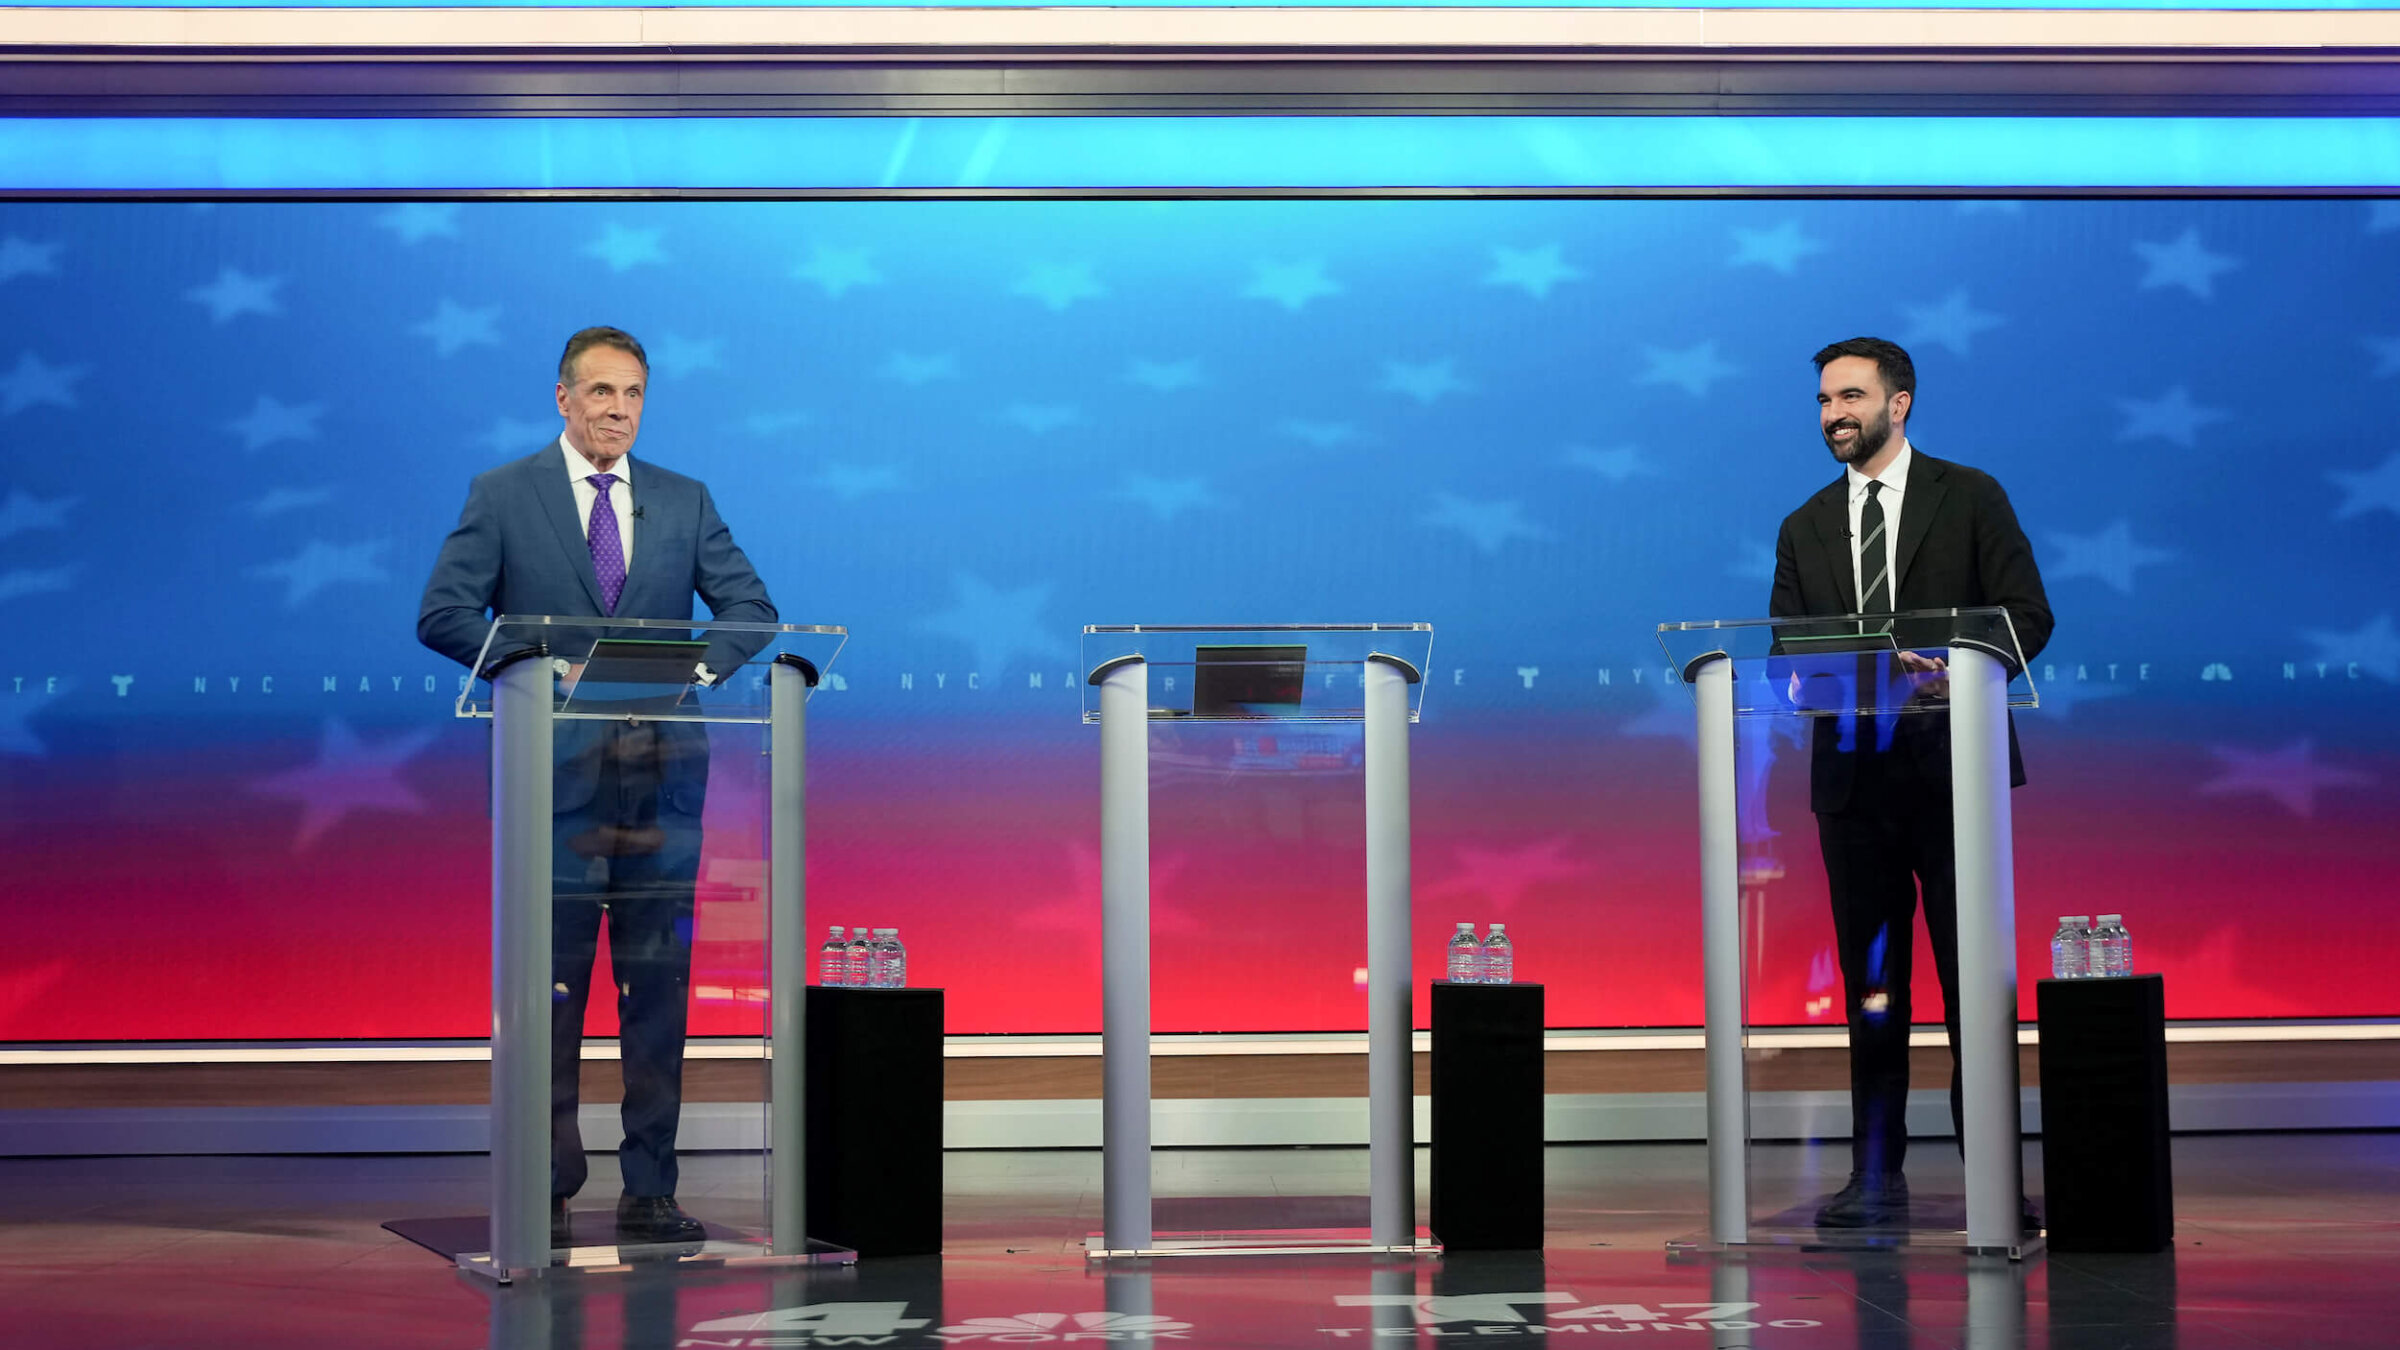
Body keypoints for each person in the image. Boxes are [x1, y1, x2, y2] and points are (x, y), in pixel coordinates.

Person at [419, 327, 777, 1246]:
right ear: (563, 399)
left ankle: (650, 1187)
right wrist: (547, 670)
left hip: (662, 787)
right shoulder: (505, 495)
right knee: (555, 994)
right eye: (603, 393)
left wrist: (694, 675)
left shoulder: (683, 501)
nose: (619, 410)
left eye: (635, 396)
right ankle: (547, 1183)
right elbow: (445, 613)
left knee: (657, 996)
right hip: (558, 789)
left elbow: (752, 609)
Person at [1767, 337, 2052, 1229]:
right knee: (1875, 992)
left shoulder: (1969, 496)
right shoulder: (1804, 523)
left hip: (1952, 778)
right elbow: (1782, 652)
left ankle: (1993, 1180)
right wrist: (1824, 675)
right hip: (1854, 789)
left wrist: (1955, 668)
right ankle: (1876, 1181)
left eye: (1850, 396)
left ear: (1901, 403)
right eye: (1823, 400)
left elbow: (2029, 618)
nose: (1833, 414)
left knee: (1976, 988)